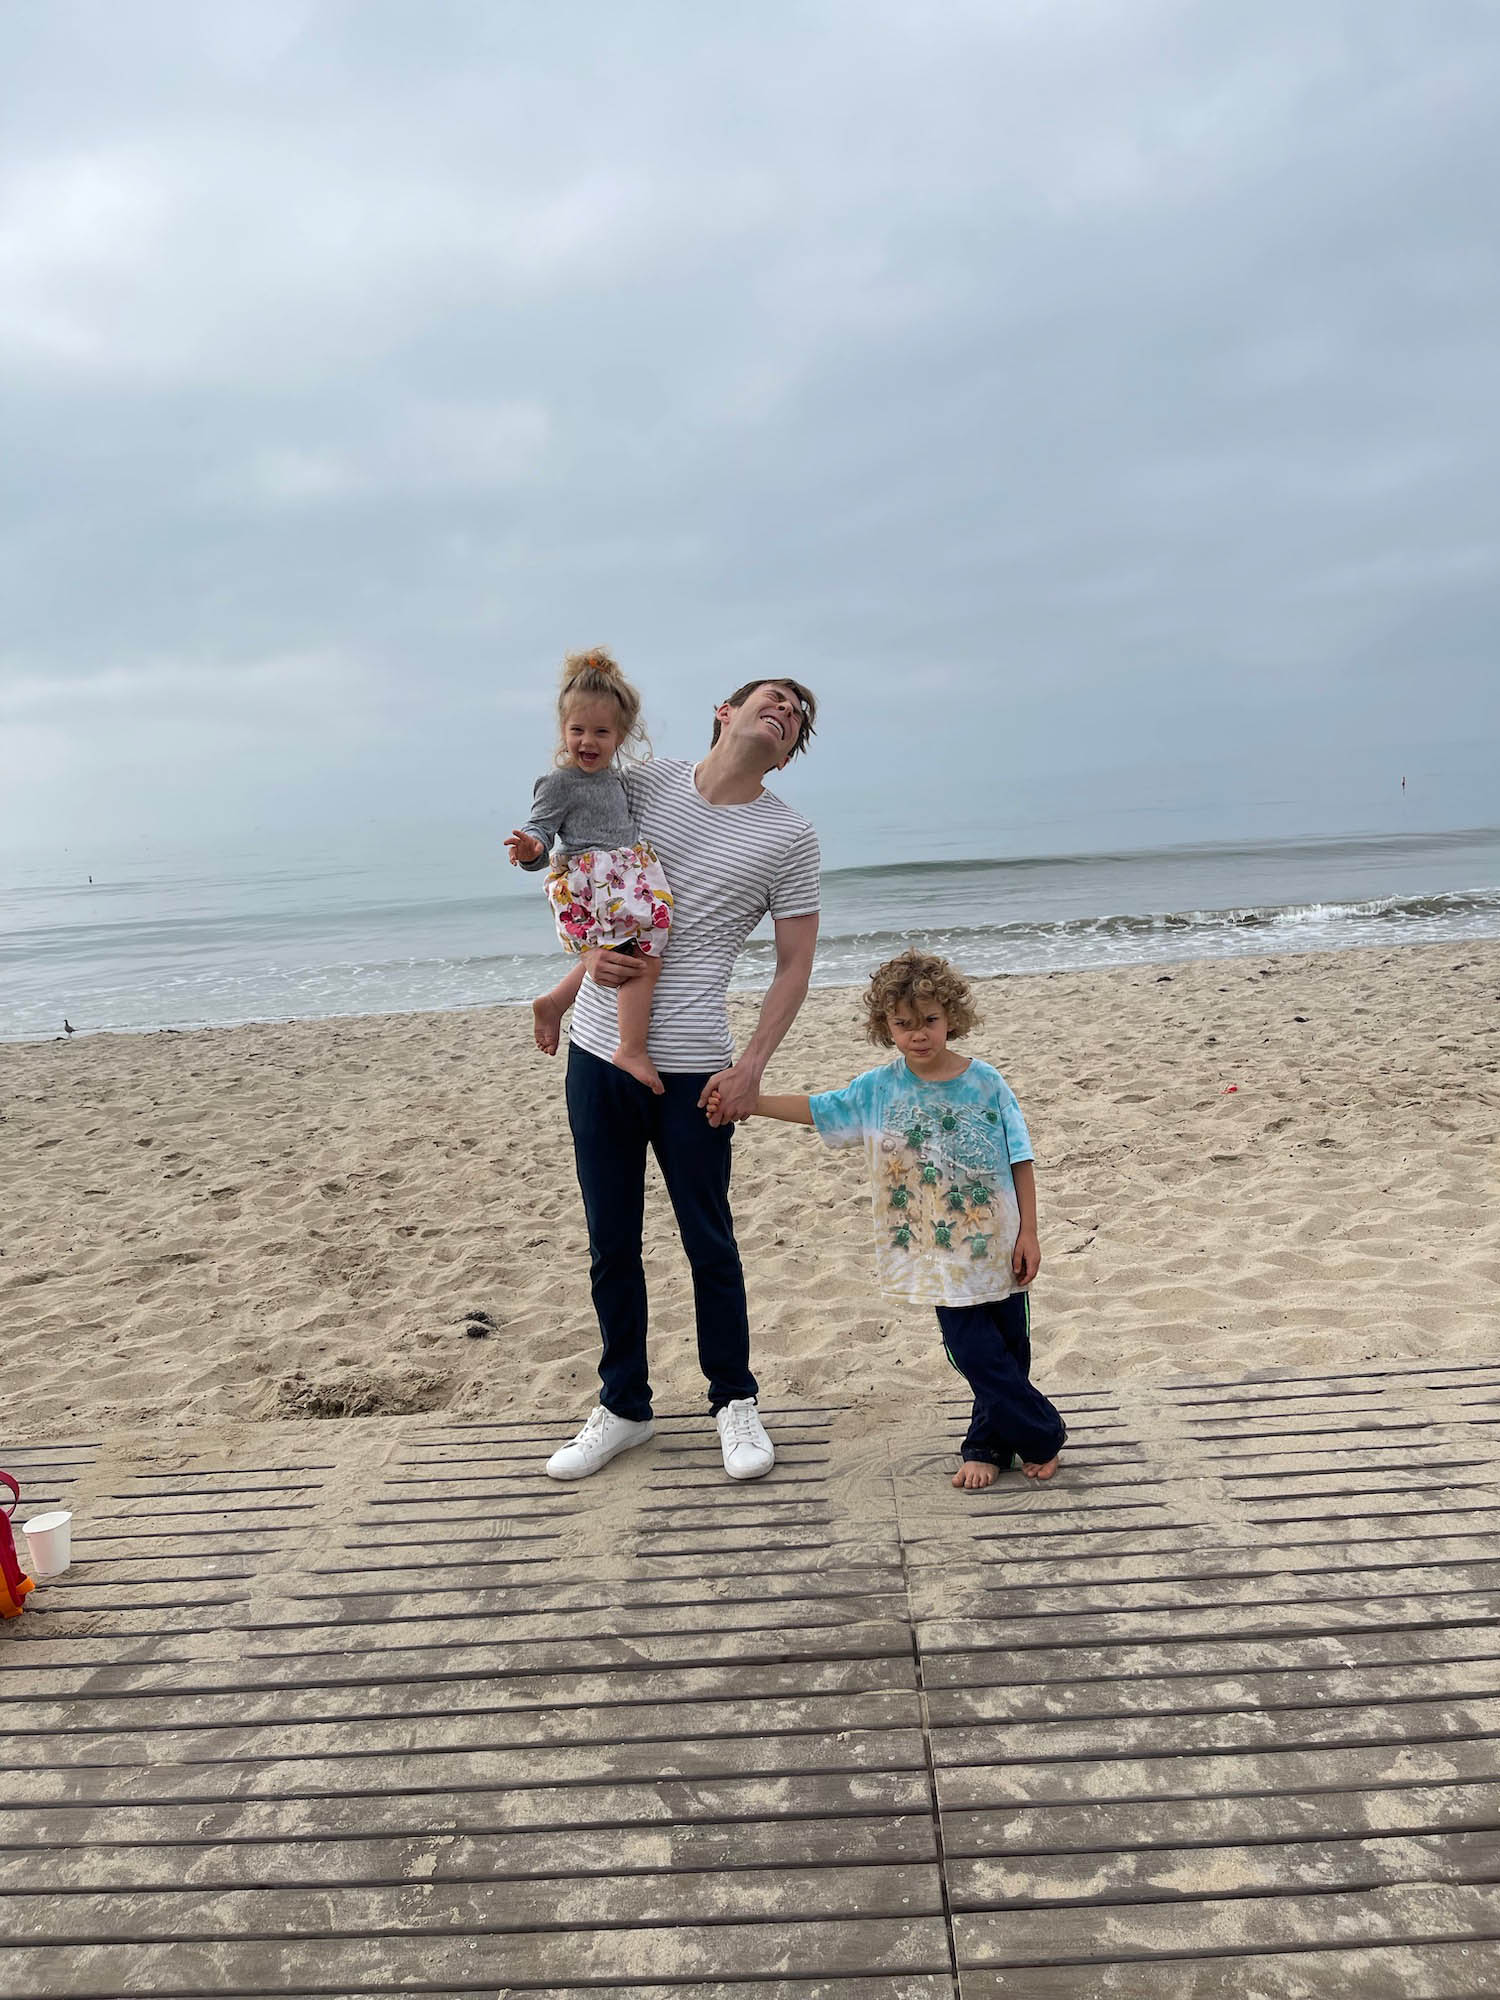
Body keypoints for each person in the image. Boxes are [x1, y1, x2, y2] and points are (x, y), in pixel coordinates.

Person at [539, 676, 821, 1484]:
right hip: (599, 1052)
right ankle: (624, 1407)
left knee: (709, 1240)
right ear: (725, 713)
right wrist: (580, 959)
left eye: (799, 715)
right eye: (774, 697)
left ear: (791, 748)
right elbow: (580, 867)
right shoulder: (644, 781)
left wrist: (752, 1067)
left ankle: (734, 1401)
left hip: (699, 1064)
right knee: (611, 1243)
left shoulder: (788, 836)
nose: (787, 710)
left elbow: (795, 964)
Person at [717, 949, 1066, 1488]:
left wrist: (1031, 1233)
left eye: (929, 1020)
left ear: (952, 1017)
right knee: (972, 1351)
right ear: (886, 1027)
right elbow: (818, 1109)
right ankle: (1042, 1433)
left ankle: (986, 1444)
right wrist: (751, 1101)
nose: (918, 1034)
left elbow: (1021, 1156)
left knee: (1008, 1350)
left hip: (997, 1241)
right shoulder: (878, 1089)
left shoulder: (987, 1083)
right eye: (903, 1024)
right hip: (936, 1251)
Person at [506, 651, 675, 1094]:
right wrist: (531, 848)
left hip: (620, 876)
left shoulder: (617, 779)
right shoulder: (558, 782)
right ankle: (630, 1047)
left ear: (620, 736)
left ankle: (556, 1001)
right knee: (644, 962)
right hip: (596, 881)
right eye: (578, 730)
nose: (588, 741)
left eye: (601, 732)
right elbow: (540, 828)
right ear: (563, 730)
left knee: (626, 954)